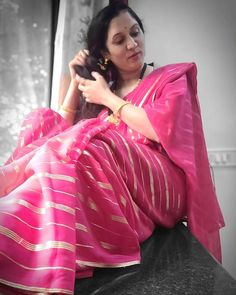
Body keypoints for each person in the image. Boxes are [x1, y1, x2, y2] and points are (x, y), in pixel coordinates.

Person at [0, 3, 224, 294]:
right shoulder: (105, 91)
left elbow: (159, 130)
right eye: (120, 40)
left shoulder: (170, 79)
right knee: (40, 122)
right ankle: (14, 220)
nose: (133, 44)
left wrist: (107, 97)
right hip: (121, 189)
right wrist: (76, 81)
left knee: (93, 136)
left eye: (135, 33)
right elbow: (58, 135)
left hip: (164, 185)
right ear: (104, 53)